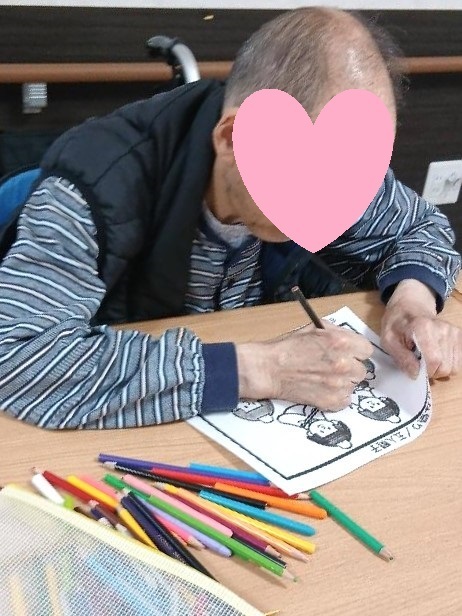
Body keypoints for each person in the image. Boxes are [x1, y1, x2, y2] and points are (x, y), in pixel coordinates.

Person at [0, 7, 460, 430]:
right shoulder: (95, 187)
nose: (339, 205)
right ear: (231, 138)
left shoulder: (333, 161)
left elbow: (419, 228)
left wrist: (412, 304)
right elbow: (18, 357)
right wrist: (260, 368)